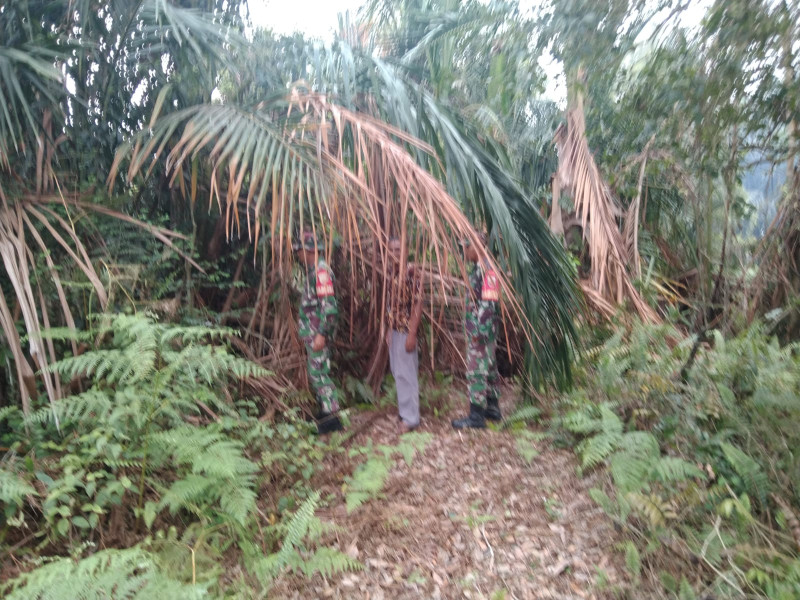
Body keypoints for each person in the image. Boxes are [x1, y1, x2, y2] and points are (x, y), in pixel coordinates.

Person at [293, 230, 343, 434]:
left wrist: (321, 334)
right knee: (318, 374)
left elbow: (329, 306)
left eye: (300, 250)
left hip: (317, 335)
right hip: (313, 334)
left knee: (319, 374)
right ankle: (327, 412)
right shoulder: (314, 271)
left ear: (310, 250)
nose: (297, 254)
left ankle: (332, 418)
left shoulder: (321, 272)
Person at [452, 233, 502, 429]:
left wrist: (477, 333)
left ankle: (476, 417)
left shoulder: (487, 270)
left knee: (476, 372)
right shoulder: (480, 269)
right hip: (485, 330)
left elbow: (489, 305)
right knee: (489, 369)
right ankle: (492, 408)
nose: (464, 251)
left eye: (467, 247)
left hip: (482, 330)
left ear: (478, 247)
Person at [385, 237, 423, 433]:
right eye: (391, 249)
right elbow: (392, 305)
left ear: (406, 250)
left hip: (406, 330)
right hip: (395, 330)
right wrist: (388, 329)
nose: (394, 252)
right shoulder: (392, 273)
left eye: (398, 249)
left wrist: (412, 333)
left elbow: (418, 303)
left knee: (406, 374)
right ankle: (405, 411)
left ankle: (410, 419)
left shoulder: (411, 272)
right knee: (398, 372)